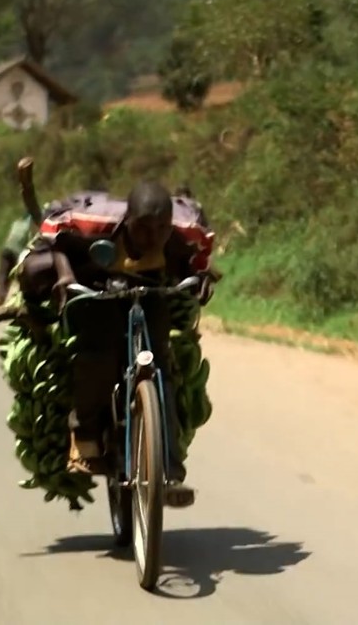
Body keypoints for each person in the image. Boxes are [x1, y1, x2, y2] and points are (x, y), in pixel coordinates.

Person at [17, 180, 216, 508]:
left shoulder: (183, 231)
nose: (152, 237)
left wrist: (203, 277)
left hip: (151, 289)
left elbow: (198, 260)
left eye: (161, 229)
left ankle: (169, 469)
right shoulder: (94, 224)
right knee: (99, 353)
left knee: (162, 369)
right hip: (95, 284)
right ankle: (84, 435)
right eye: (143, 228)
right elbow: (55, 237)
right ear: (127, 220)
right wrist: (65, 276)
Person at [0, 212, 36, 306]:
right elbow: (31, 241)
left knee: (3, 275)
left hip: (6, 249)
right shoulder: (30, 226)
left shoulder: (16, 223)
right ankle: (18, 299)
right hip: (17, 252)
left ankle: (0, 297)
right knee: (19, 276)